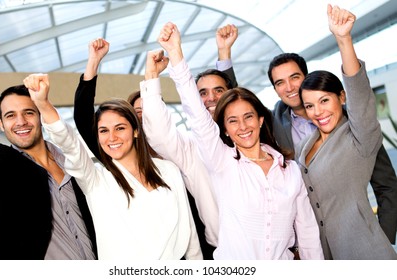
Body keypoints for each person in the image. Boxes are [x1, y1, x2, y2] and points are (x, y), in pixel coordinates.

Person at [154, 22, 323, 260]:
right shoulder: (223, 162)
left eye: (248, 117)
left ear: (261, 120)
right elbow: (198, 117)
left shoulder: (291, 170)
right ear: (224, 127)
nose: (243, 127)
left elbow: (307, 232)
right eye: (233, 121)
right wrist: (175, 54)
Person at [23, 73, 202, 260]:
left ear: (135, 131)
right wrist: (43, 105)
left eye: (120, 128)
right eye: (103, 131)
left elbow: (190, 235)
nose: (112, 138)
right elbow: (70, 145)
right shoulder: (96, 180)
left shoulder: (168, 170)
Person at [73, 38, 214, 259]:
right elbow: (83, 119)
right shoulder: (112, 157)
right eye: (137, 110)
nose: (143, 114)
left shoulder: (170, 157)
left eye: (148, 108)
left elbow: (188, 228)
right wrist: (93, 63)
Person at [0, 44, 97, 260]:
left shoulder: (71, 160)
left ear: (39, 117)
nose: (21, 122)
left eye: (28, 112)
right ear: (0, 123)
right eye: (10, 116)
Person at [294, 5, 397, 260]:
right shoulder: (305, 146)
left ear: (341, 97)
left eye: (324, 100)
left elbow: (359, 92)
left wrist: (343, 39)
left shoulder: (360, 136)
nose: (318, 111)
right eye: (309, 106)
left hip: (366, 252)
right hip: (325, 256)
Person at [141, 24, 238, 259]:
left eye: (218, 90)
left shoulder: (253, 136)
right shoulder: (191, 148)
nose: (211, 97)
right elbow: (159, 134)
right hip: (223, 251)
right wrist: (152, 77)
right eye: (202, 93)